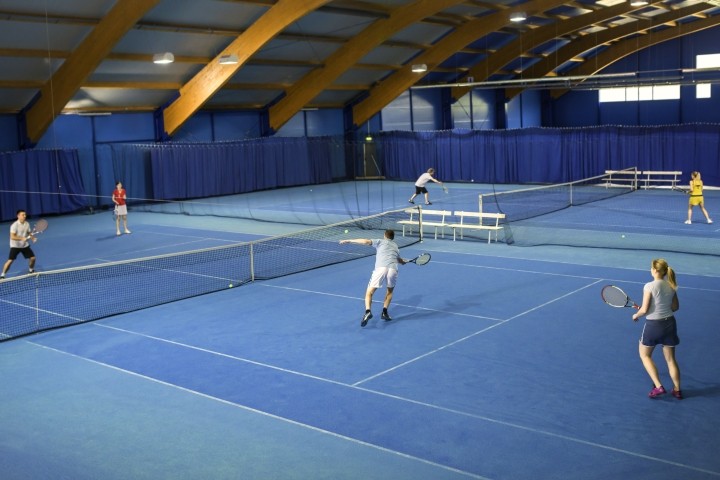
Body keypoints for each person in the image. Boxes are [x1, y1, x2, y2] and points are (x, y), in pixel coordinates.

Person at [632, 258, 682, 399]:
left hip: (654, 326)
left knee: (644, 355)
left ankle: (658, 386)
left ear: (654, 270)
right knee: (671, 360)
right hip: (670, 325)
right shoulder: (671, 286)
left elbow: (645, 309)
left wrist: (636, 315)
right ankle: (677, 390)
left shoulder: (649, 286)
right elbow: (675, 307)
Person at [340, 229, 408, 327]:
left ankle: (368, 311)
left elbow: (366, 241)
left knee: (369, 293)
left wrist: (349, 240)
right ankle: (384, 312)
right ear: (392, 238)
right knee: (389, 292)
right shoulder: (396, 246)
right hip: (393, 269)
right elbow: (399, 260)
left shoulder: (380, 241)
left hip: (381, 268)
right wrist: (403, 262)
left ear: (385, 235)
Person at [1, 209, 37, 279]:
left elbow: (29, 232)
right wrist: (22, 238)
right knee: (10, 260)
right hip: (15, 246)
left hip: (24, 245)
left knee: (33, 258)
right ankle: (2, 275)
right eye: (22, 215)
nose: (24, 216)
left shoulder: (27, 224)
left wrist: (32, 238)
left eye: (25, 214)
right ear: (18, 216)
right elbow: (12, 236)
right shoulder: (14, 225)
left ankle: (31, 270)